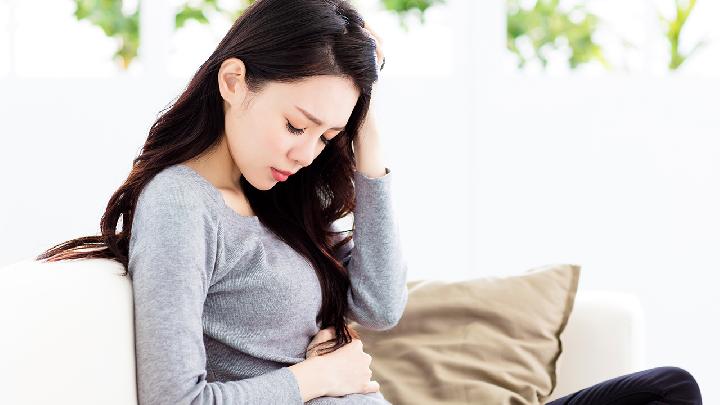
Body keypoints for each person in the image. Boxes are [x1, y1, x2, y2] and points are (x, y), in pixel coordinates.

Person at [34, 0, 703, 404]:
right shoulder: (180, 202)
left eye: (326, 136)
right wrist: (318, 375)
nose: (304, 152)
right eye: (297, 124)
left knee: (666, 388)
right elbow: (175, 398)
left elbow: (381, 304)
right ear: (234, 80)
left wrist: (368, 139)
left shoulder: (277, 194)